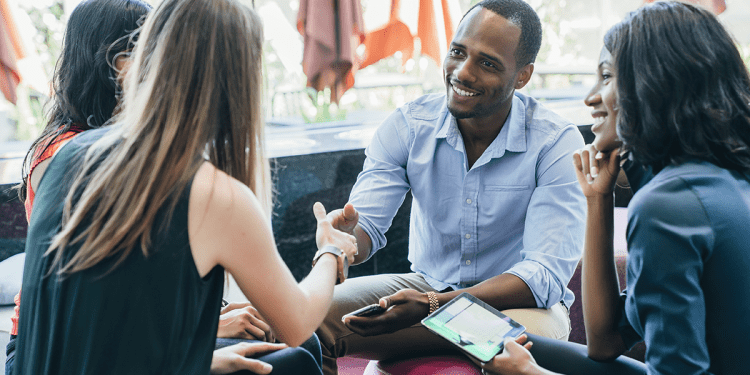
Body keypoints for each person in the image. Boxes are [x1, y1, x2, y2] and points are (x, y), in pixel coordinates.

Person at [13, 0, 358, 374]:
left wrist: (195, 360)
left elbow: (103, 327)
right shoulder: (215, 194)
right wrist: (330, 253)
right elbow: (297, 320)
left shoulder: (69, 154)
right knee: (296, 361)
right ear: (239, 82)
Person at [316, 0, 586, 372]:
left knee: (508, 350)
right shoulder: (408, 126)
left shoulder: (555, 142)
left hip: (521, 307)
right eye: (458, 52)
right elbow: (366, 228)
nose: (462, 72)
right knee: (305, 316)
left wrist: (435, 306)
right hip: (427, 285)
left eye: (487, 63)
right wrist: (344, 242)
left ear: (522, 76)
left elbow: (543, 274)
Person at [481, 1, 750, 374]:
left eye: (606, 77)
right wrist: (597, 199)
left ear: (654, 84)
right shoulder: (722, 178)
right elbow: (604, 343)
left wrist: (530, 373)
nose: (591, 97)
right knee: (506, 342)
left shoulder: (669, 204)